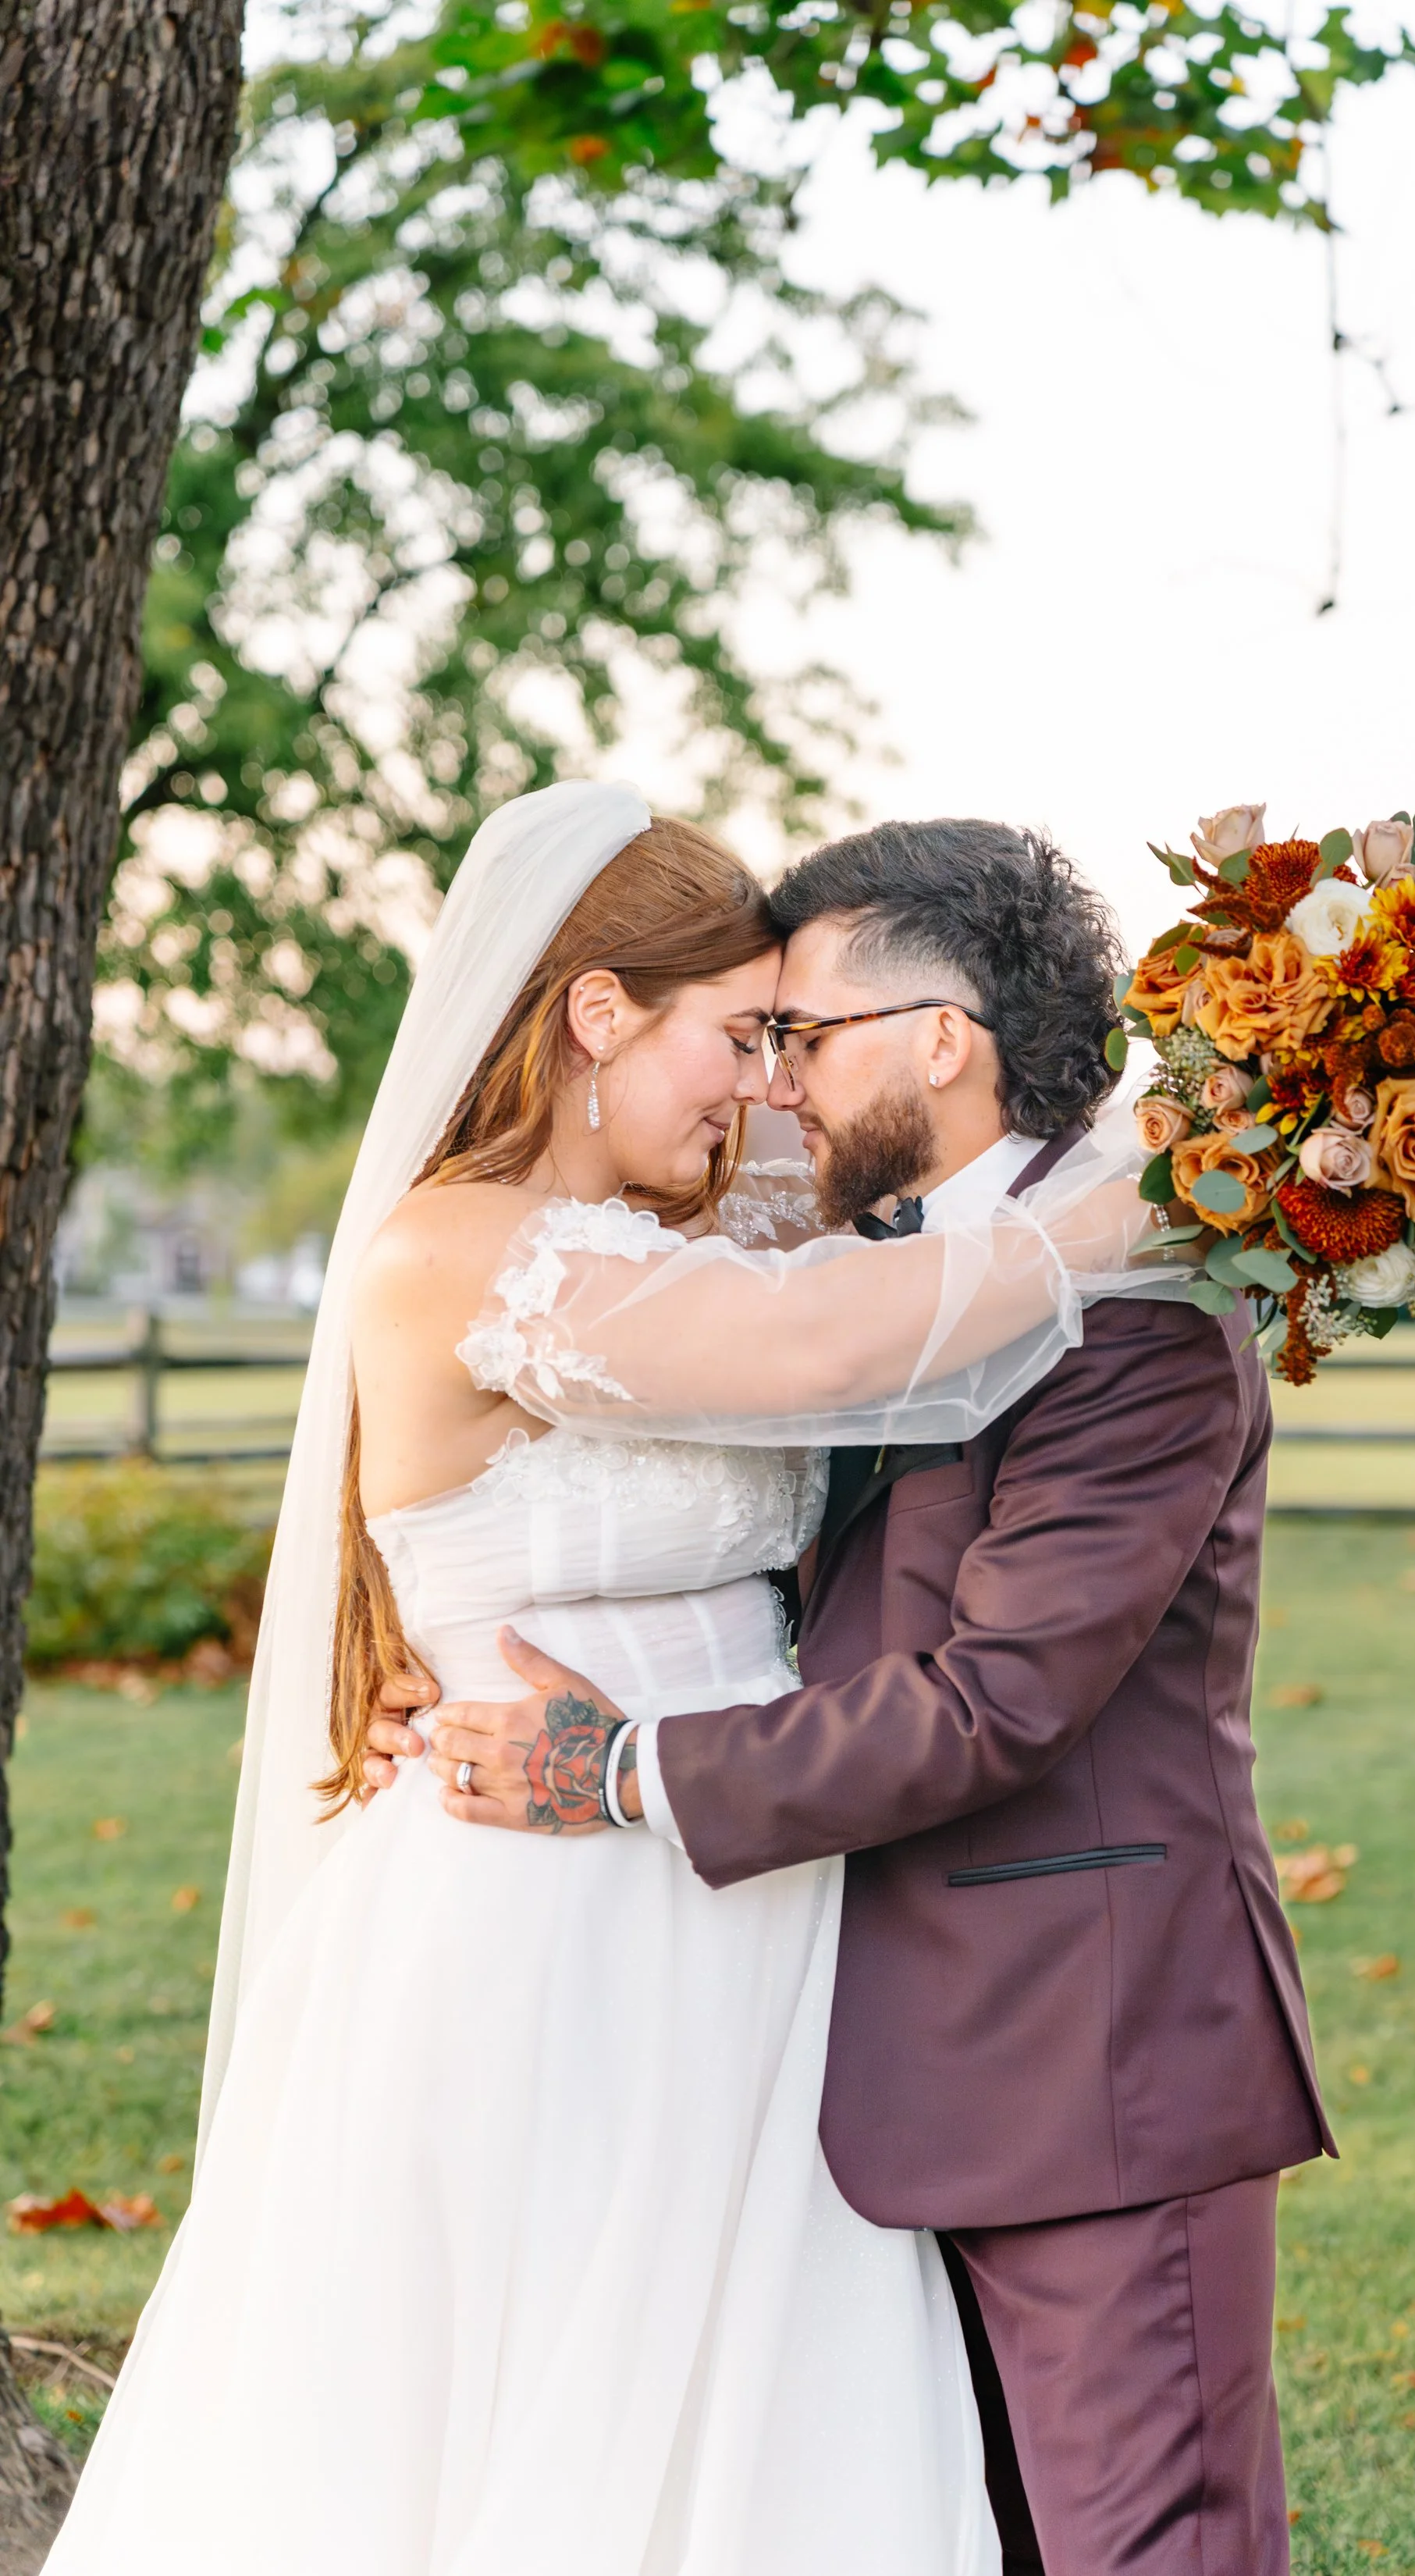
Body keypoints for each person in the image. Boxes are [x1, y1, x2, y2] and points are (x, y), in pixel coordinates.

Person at [45, 783, 1176, 2576]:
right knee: (521, 2383)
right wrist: (1155, 1199)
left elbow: (912, 1180)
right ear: (595, 1015)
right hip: (538, 1906)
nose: (760, 1085)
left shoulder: (700, 1225)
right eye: (736, 1037)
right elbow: (816, 1347)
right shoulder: (456, 1250)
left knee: (752, 2390)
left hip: (746, 1886)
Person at [371, 817, 1335, 2576]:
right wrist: (426, 1651)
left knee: (1141, 2549)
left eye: (798, 1039)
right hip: (815, 2019)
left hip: (1081, 2044)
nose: (774, 1092)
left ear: (940, 1036)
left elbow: (993, 1705)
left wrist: (619, 1769)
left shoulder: (1131, 1308)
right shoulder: (868, 1261)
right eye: (751, 1043)